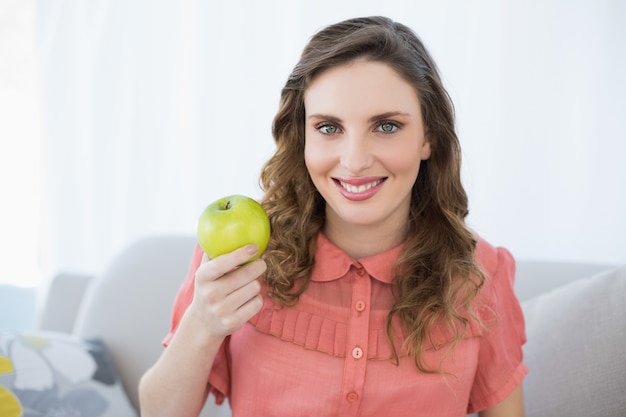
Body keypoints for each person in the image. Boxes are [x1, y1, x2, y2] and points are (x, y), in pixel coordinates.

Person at [139, 16, 527, 417]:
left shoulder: (481, 274)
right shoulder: (242, 255)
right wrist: (201, 325)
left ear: (428, 137)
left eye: (387, 126)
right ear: (303, 137)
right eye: (328, 127)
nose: (355, 161)